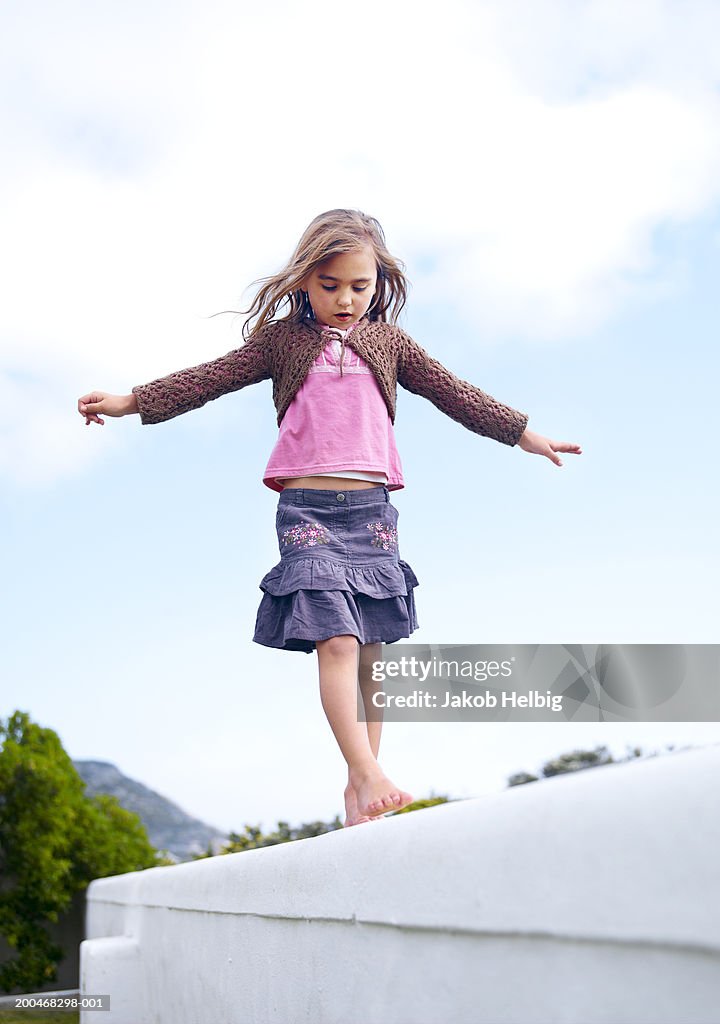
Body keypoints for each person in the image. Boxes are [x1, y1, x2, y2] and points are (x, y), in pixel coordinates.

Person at [77, 209, 581, 827]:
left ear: (379, 283)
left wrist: (524, 433)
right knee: (336, 641)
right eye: (330, 285)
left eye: (359, 287)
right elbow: (208, 378)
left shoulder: (390, 344)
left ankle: (358, 784)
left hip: (372, 514)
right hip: (308, 511)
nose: (345, 300)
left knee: (371, 651)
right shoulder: (283, 342)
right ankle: (369, 773)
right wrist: (133, 402)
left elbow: (455, 391)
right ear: (306, 282)